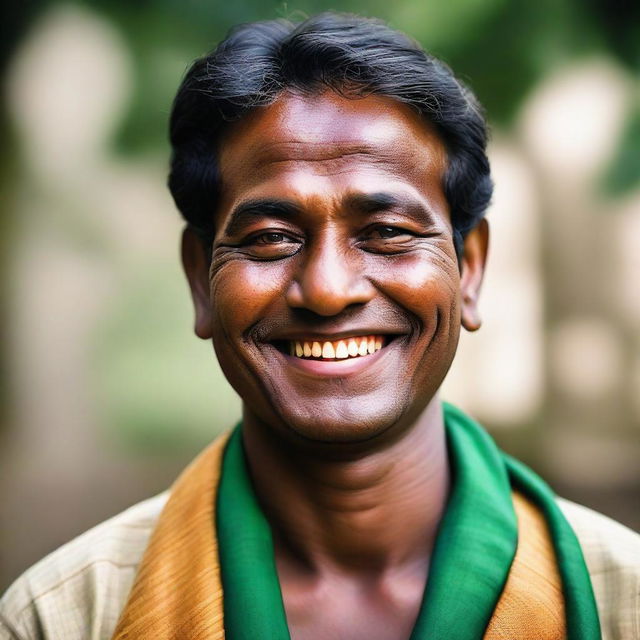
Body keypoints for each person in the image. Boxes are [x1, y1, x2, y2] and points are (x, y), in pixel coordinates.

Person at [1, 12, 638, 640]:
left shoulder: (622, 599)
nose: (329, 290)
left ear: (469, 271)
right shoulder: (65, 616)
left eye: (387, 233)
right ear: (201, 280)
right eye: (272, 238)